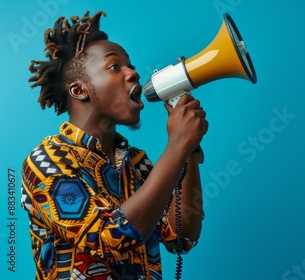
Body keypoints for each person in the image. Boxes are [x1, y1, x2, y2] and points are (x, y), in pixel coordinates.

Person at [21, 10, 207, 280]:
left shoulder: (138, 162)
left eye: (130, 66)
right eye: (114, 67)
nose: (132, 73)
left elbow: (180, 239)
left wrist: (189, 151)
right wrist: (177, 146)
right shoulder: (45, 161)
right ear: (79, 90)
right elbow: (110, 238)